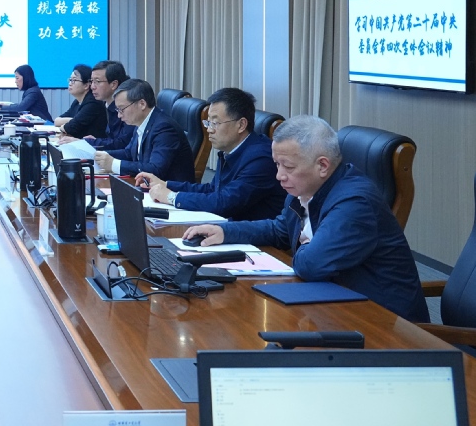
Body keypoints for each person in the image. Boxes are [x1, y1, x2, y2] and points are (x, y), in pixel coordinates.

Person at [182, 115, 428, 321]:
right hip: (338, 305)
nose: (279, 176)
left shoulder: (355, 203)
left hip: (385, 325)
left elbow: (311, 264)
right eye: (277, 164)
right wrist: (225, 231)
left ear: (323, 166)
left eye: (288, 167)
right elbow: (279, 230)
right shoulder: (304, 189)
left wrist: (304, 247)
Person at [134, 87, 285, 221]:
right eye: (208, 122)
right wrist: (165, 184)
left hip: (258, 239)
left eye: (215, 123)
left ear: (241, 125)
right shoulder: (230, 150)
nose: (209, 129)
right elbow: (212, 190)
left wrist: (171, 197)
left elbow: (224, 203)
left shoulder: (261, 159)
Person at [93, 78, 195, 182]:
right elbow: (129, 153)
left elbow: (155, 170)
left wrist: (113, 164)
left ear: (142, 104)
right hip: (146, 185)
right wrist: (99, 156)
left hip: (169, 189)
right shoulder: (142, 121)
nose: (119, 115)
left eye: (122, 109)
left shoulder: (164, 128)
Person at [84, 60, 134, 149]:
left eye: (97, 81)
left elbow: (122, 143)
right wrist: (96, 141)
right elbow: (112, 139)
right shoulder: (107, 104)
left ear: (113, 84)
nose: (92, 87)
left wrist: (88, 142)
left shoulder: (127, 108)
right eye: (92, 81)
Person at [54, 63, 106, 139]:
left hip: (93, 145)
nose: (70, 83)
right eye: (70, 80)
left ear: (86, 85)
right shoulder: (77, 102)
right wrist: (75, 120)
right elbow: (57, 121)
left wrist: (74, 121)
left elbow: (70, 128)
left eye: (74, 80)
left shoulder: (93, 103)